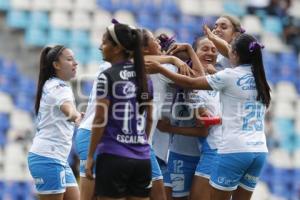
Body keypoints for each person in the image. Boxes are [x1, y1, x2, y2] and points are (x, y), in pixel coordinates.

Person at [146, 31, 271, 200]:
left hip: (230, 149)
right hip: (259, 150)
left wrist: (161, 67)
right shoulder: (260, 78)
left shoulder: (228, 76)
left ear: (234, 54)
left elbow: (191, 82)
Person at [85, 23, 153, 200]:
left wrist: (91, 155)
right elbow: (151, 118)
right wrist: (140, 143)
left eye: (105, 43)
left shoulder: (107, 76)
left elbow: (100, 118)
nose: (101, 47)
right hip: (142, 159)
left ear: (117, 48)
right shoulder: (144, 76)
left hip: (114, 157)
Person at [157, 36, 221, 200]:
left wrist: (170, 128)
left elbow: (204, 129)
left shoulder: (220, 79)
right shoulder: (182, 75)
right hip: (180, 153)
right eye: (204, 49)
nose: (210, 53)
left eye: (214, 50)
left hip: (207, 153)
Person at [27, 45, 81, 200]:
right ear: (56, 65)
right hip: (47, 158)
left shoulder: (53, 84)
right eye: (70, 59)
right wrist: (77, 117)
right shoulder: (58, 87)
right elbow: (67, 109)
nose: (75, 63)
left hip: (58, 159)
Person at [75, 61, 111, 200]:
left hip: (100, 134)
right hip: (92, 133)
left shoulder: (115, 67)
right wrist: (171, 60)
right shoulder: (111, 68)